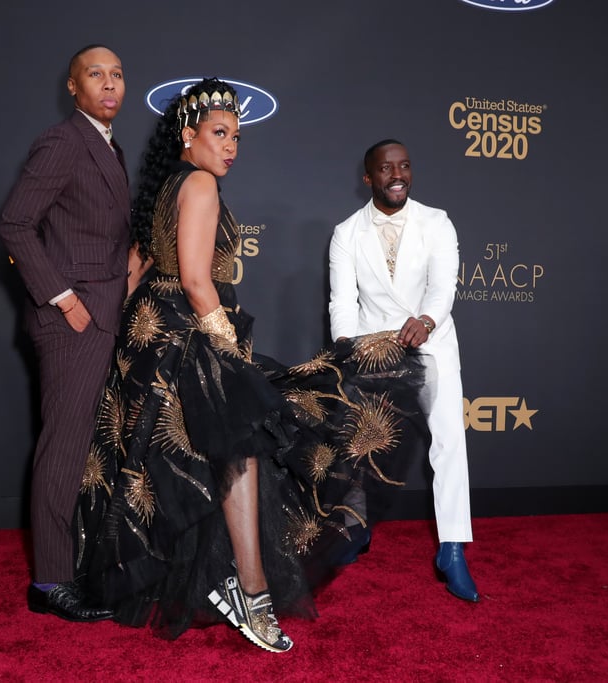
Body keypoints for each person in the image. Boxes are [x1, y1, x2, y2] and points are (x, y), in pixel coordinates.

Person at [73, 80, 432, 653]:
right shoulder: (200, 183)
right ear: (188, 136)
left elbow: (135, 268)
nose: (231, 146)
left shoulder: (164, 186)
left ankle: (229, 584)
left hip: (150, 336)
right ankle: (254, 593)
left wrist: (113, 345)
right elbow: (195, 279)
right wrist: (229, 352)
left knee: (195, 460)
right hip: (188, 332)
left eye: (236, 136)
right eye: (219, 134)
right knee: (242, 444)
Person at [0, 44, 145, 622]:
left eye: (117, 73)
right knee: (64, 447)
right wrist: (63, 298)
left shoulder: (107, 144)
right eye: (95, 75)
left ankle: (72, 566)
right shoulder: (64, 140)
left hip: (103, 313)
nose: (109, 84)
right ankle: (50, 582)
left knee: (82, 444)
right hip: (72, 323)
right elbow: (14, 223)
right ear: (73, 87)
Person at [328, 139, 479, 602]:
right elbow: (343, 303)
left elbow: (442, 287)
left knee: (450, 442)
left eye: (405, 166)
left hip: (432, 345)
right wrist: (350, 351)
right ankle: (356, 529)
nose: (398, 175)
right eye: (386, 168)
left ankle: (452, 548)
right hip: (374, 350)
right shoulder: (346, 233)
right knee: (359, 445)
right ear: (368, 177)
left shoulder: (437, 222)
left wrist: (427, 321)